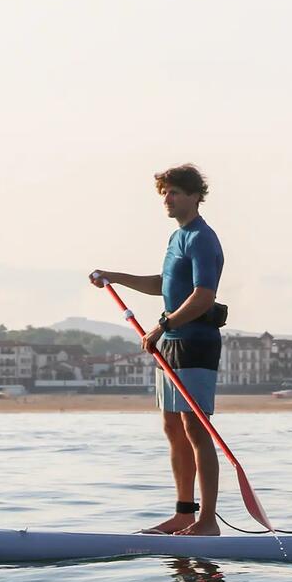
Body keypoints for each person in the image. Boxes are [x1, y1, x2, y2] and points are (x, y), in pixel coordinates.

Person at [90, 164, 226, 535]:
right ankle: (184, 513)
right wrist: (115, 276)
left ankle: (208, 521)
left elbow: (203, 296)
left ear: (196, 196)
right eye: (165, 192)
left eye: (176, 192)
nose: (168, 199)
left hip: (196, 342)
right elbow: (161, 284)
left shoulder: (202, 238)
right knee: (172, 426)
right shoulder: (176, 237)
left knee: (196, 429)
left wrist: (161, 326)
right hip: (172, 344)